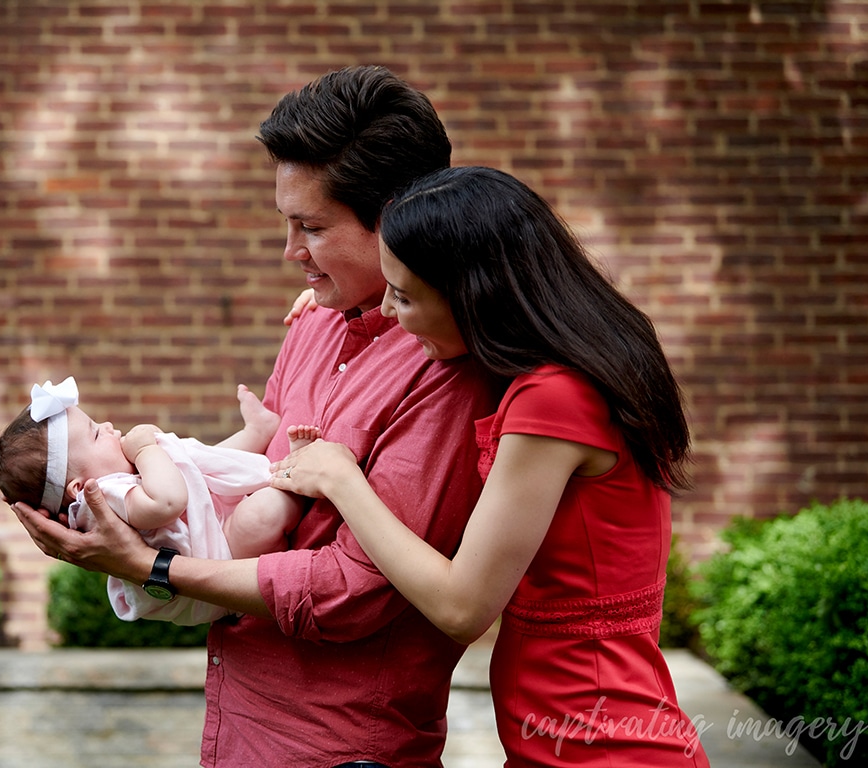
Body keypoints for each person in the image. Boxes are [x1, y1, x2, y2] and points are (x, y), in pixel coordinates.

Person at [11, 66, 496, 767]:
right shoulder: (313, 325)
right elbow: (245, 484)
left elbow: (351, 594)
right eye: (285, 223)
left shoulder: (444, 368)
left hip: (339, 747)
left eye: (313, 227)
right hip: (237, 730)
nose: (290, 252)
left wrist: (152, 566)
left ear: (397, 217)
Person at [271, 166, 711, 766]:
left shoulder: (551, 400)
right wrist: (333, 307)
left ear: (472, 293)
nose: (393, 317)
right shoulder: (583, 362)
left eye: (402, 296)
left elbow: (461, 608)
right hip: (564, 741)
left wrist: (344, 481)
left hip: (602, 748)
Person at [0, 376, 318, 625]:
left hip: (209, 533)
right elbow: (168, 502)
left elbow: (193, 471)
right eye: (94, 433)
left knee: (191, 460)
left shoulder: (112, 481)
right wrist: (147, 450)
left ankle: (258, 432)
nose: (106, 426)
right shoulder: (103, 496)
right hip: (221, 559)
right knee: (260, 513)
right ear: (78, 488)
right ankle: (295, 479)